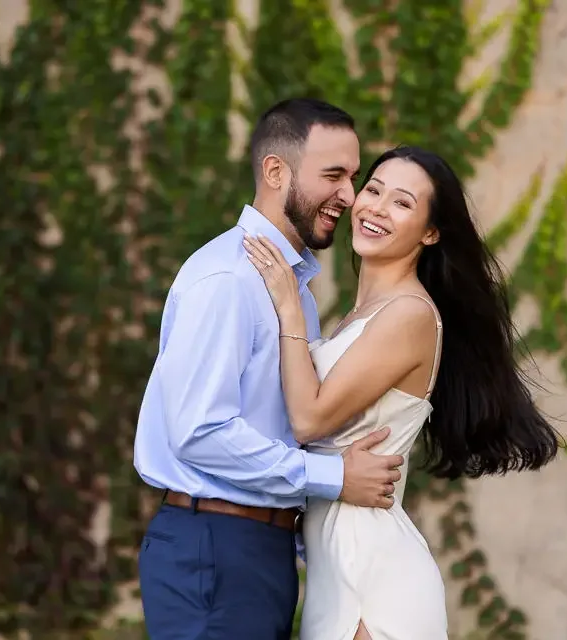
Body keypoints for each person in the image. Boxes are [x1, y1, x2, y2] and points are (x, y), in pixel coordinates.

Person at [242, 145, 562, 639]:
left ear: (430, 233)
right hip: (337, 565)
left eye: (402, 203)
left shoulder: (409, 316)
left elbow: (308, 419)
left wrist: (287, 308)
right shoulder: (362, 317)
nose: (376, 208)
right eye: (373, 190)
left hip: (372, 573)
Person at [133, 98, 405, 639]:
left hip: (259, 551)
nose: (349, 197)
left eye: (353, 177)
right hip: (214, 549)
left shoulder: (290, 289)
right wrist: (335, 478)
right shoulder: (230, 279)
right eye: (334, 175)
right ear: (275, 171)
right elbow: (200, 431)